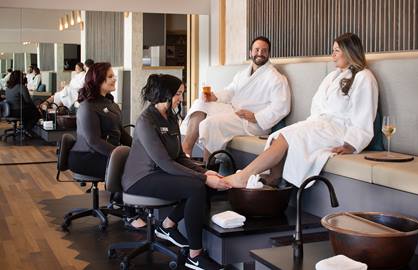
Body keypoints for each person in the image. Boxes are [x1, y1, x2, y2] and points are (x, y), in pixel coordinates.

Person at [223, 33, 379, 188]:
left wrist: (351, 144)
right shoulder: (332, 77)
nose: (333, 55)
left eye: (336, 50)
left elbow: (364, 115)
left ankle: (244, 177)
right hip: (321, 125)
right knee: (277, 136)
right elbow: (317, 106)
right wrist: (311, 125)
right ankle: (274, 178)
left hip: (340, 130)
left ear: (349, 51)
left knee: (287, 136)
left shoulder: (364, 77)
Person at [122, 74, 230, 270]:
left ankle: (167, 225)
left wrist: (205, 172)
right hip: (141, 178)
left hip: (160, 172)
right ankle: (194, 255)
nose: (181, 98)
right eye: (178, 93)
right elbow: (164, 162)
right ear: (166, 93)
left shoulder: (170, 117)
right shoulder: (146, 121)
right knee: (197, 187)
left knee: (208, 185)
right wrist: (204, 177)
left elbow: (179, 156)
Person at [181, 36, 291, 160]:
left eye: (264, 50)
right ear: (250, 52)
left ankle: (208, 168)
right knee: (201, 103)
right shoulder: (243, 74)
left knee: (210, 123)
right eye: (257, 50)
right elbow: (230, 91)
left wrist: (256, 117)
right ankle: (186, 151)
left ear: (269, 53)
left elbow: (282, 107)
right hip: (234, 112)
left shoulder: (276, 78)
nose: (260, 53)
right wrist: (215, 97)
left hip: (253, 123)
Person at [68, 62, 145, 229]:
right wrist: (122, 155)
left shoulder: (111, 104)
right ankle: (129, 214)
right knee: (129, 166)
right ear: (98, 80)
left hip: (104, 153)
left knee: (138, 162)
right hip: (86, 157)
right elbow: (93, 141)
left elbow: (122, 133)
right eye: (110, 76)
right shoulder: (87, 107)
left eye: (113, 76)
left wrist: (140, 150)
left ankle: (119, 201)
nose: (114, 79)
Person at [4, 70, 41, 135]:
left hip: (9, 111)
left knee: (28, 111)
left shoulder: (8, 87)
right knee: (37, 114)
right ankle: (26, 128)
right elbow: (28, 101)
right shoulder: (21, 87)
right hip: (18, 111)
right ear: (20, 77)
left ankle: (24, 128)